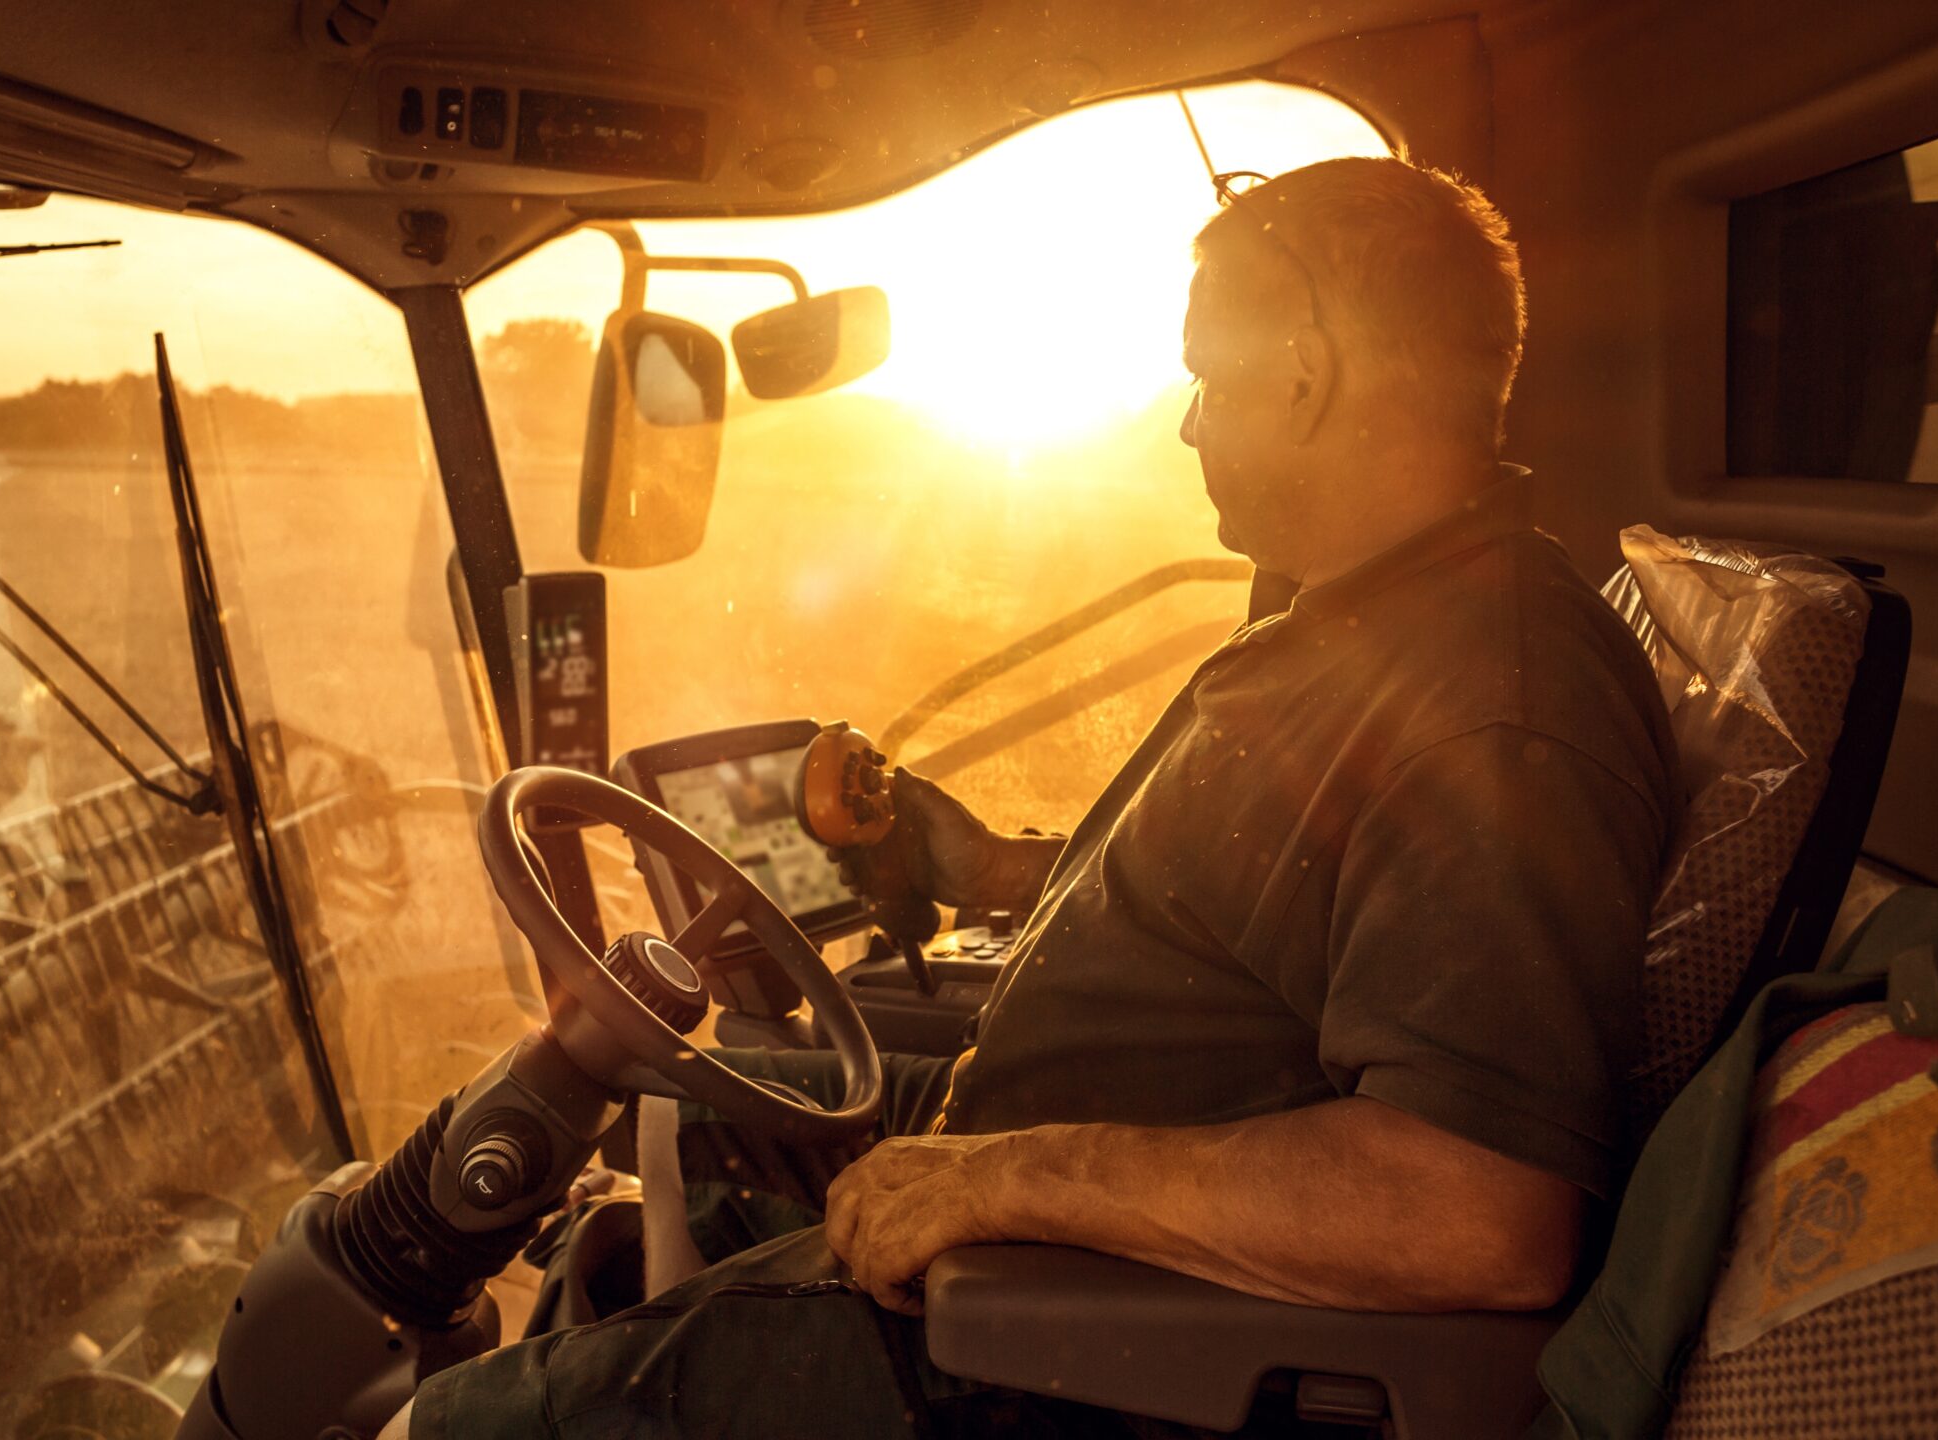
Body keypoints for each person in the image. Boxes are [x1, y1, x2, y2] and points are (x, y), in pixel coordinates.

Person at [399, 155, 1675, 1438]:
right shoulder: (1362, 611)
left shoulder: (1492, 706)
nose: (1187, 422)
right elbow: (1271, 908)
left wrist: (997, 1180)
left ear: (1306, 368)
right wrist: (998, 873)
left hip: (1058, 1351)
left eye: (1210, 375)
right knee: (685, 1111)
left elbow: (1475, 1208)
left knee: (447, 1429)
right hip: (1038, 1214)